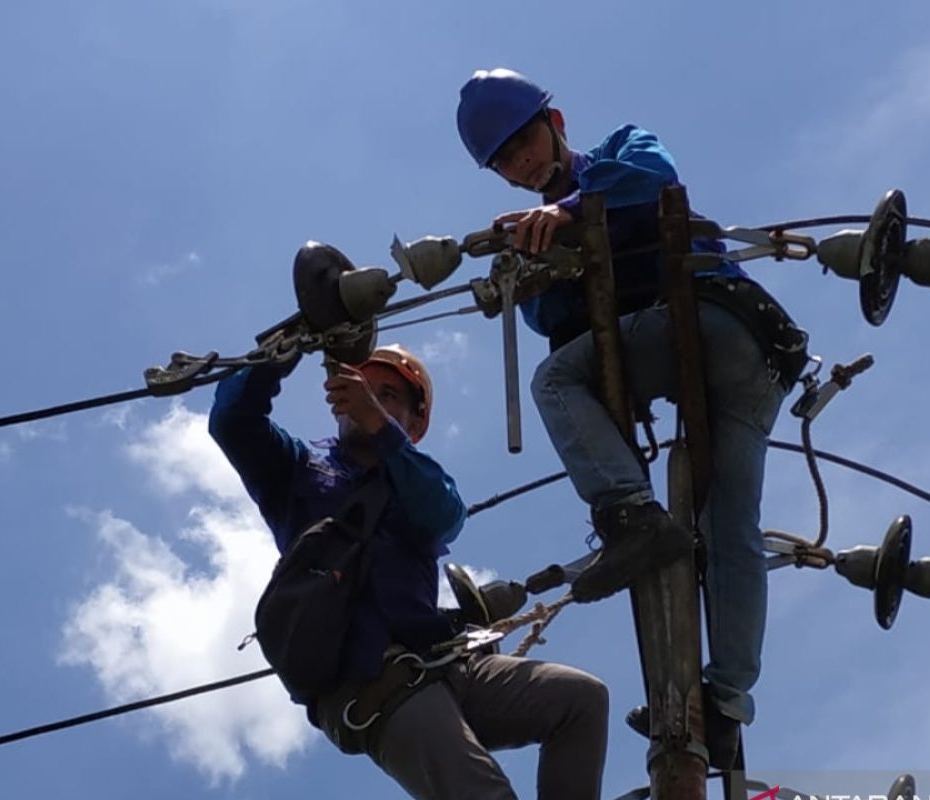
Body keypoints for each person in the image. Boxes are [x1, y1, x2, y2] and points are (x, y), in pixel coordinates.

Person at [456, 68, 808, 767]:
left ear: (555, 125)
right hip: (740, 362)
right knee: (728, 525)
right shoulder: (529, 238)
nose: (520, 165)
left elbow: (656, 175)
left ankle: (629, 514)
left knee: (555, 383)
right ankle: (726, 701)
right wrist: (536, 266)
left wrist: (571, 213)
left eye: (523, 142)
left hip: (718, 324)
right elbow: (553, 321)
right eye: (504, 161)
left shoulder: (622, 150)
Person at [208, 342, 609, 800]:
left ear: (415, 424)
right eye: (363, 388)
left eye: (387, 396)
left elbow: (444, 513)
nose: (369, 400)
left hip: (445, 664)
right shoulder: (297, 470)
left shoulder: (416, 482)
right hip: (377, 681)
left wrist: (377, 423)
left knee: (581, 700)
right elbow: (232, 421)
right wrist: (284, 351)